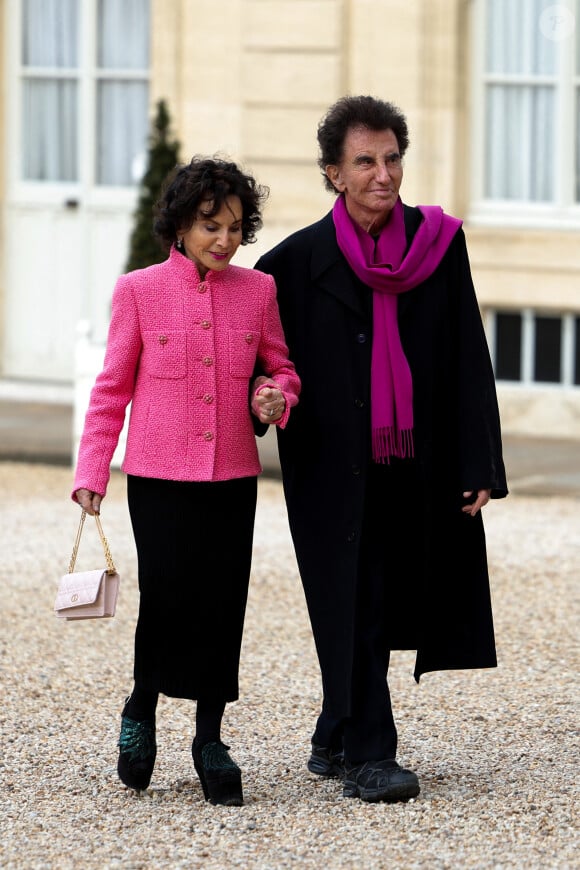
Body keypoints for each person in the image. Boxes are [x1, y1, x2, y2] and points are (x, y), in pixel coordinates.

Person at [253, 95, 508, 804]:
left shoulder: (439, 242)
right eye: (364, 161)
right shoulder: (290, 264)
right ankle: (370, 751)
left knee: (396, 599)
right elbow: (261, 360)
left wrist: (479, 461)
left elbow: (466, 354)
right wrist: (263, 396)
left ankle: (336, 727)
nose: (383, 173)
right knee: (353, 599)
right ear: (334, 173)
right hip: (332, 469)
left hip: (416, 464)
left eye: (392, 157)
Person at [73, 156, 300, 806]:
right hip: (158, 478)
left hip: (232, 478)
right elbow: (112, 388)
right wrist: (92, 470)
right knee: (169, 598)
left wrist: (274, 395)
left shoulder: (258, 292)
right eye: (210, 226)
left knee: (222, 604)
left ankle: (210, 738)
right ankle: (142, 706)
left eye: (233, 227)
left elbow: (281, 369)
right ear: (179, 224)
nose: (224, 239)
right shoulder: (139, 291)